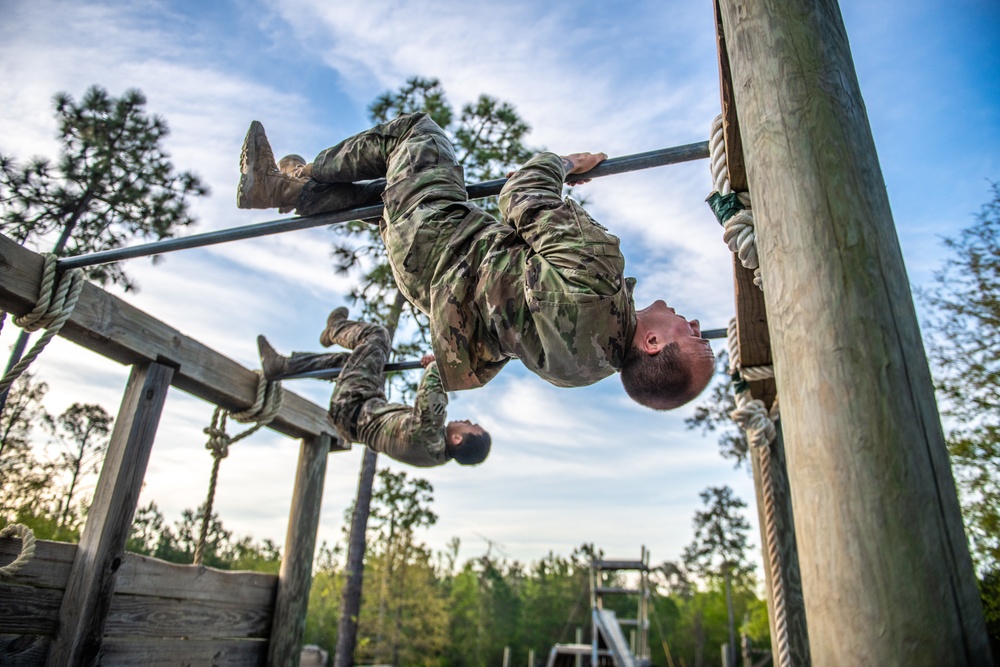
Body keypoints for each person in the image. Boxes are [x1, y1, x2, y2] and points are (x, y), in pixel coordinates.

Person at [238, 113, 714, 410]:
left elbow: (521, 193)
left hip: (442, 238)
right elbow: (514, 313)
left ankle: (298, 175)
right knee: (383, 197)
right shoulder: (586, 371)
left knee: (415, 134)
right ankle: (290, 191)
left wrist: (563, 164)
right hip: (427, 283)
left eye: (695, 339)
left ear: (651, 342)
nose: (694, 324)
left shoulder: (599, 277)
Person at [258, 307, 491, 468]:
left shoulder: (431, 438)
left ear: (458, 439)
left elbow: (433, 390)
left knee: (377, 337)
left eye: (470, 426)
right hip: (361, 409)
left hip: (353, 407)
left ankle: (335, 328)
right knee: (351, 364)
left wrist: (438, 365)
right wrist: (432, 369)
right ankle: (282, 367)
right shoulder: (435, 453)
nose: (467, 420)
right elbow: (429, 396)